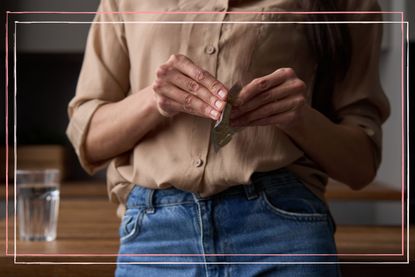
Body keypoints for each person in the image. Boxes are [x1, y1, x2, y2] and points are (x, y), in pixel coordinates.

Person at [66, 0, 390, 276]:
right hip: (156, 236)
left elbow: (360, 166)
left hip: (284, 231)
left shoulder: (348, 5)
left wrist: (300, 118)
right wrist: (154, 100)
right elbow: (89, 140)